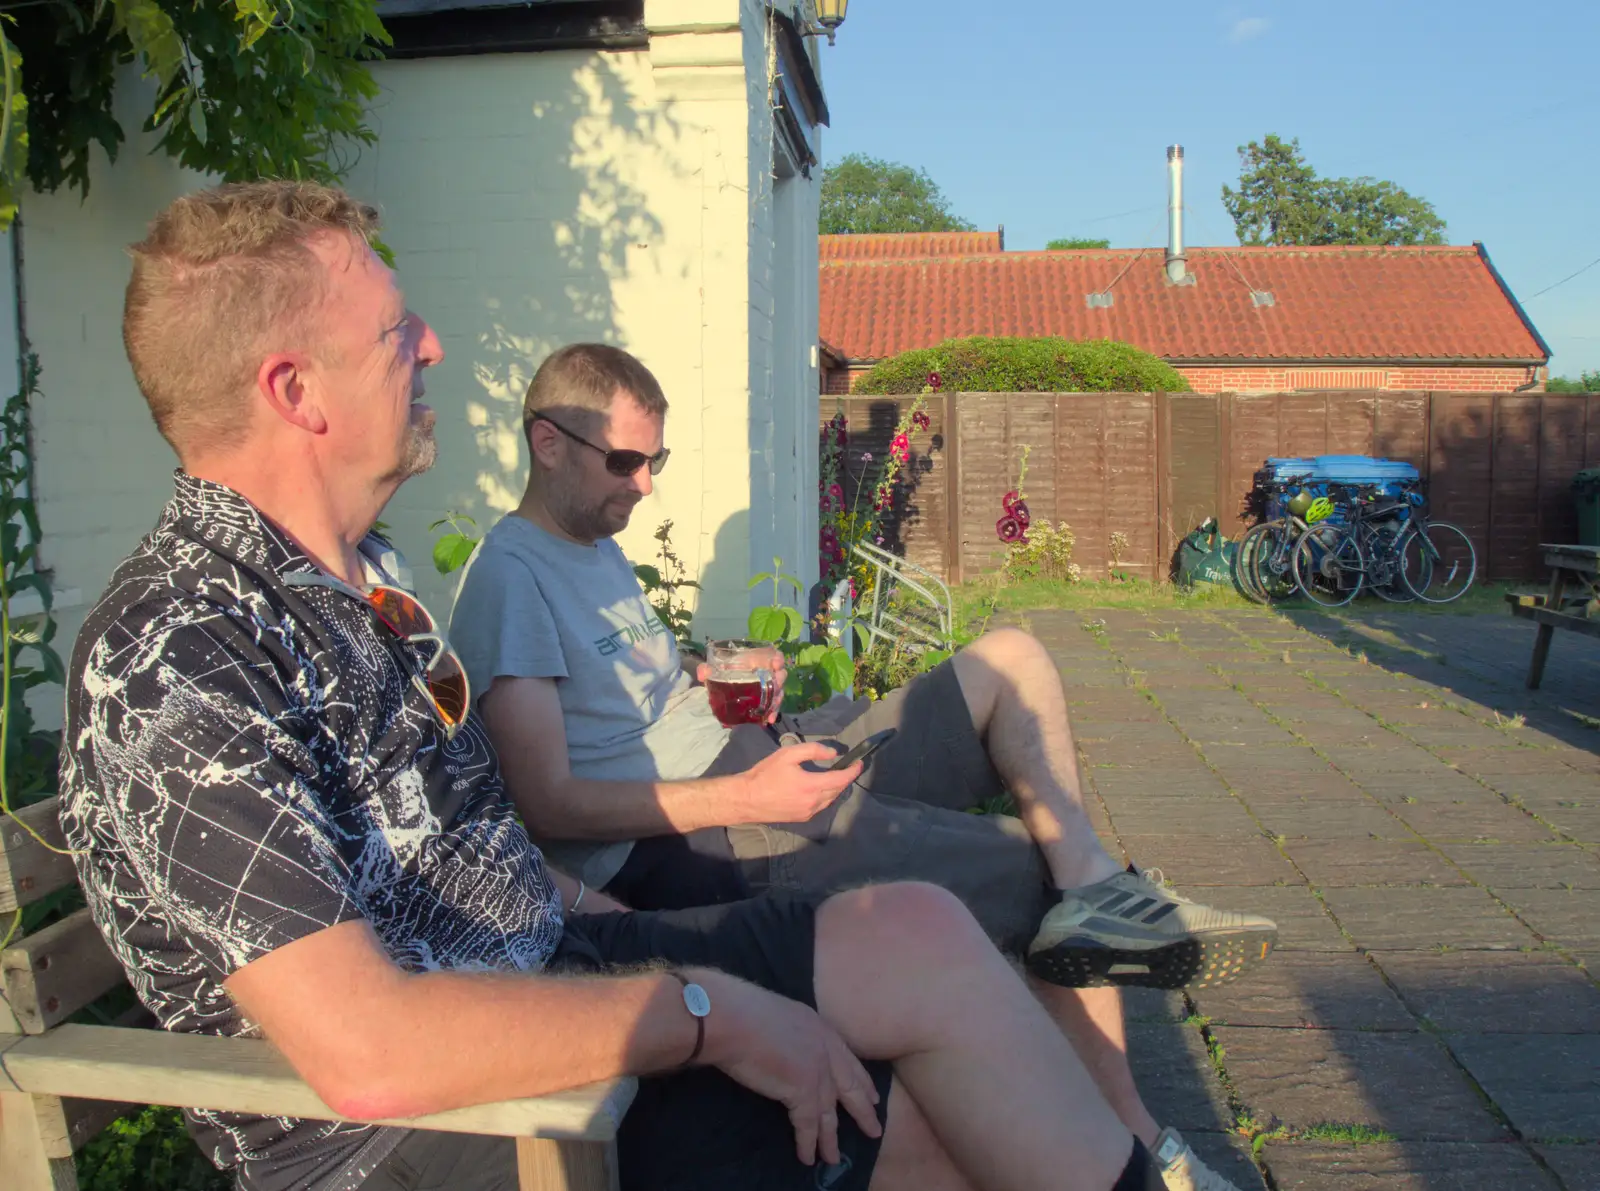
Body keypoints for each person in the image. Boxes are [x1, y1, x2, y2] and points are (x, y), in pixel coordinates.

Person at [58, 179, 1190, 1191]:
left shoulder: (364, 584)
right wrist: (708, 1012)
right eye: (396, 329)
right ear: (296, 389)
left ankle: (1128, 1147)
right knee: (929, 1130)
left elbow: (475, 858)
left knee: (921, 932)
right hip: (432, 1129)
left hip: (541, 973)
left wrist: (666, 935)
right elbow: (366, 1052)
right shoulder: (178, 656)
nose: (434, 346)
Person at [451, 343, 1281, 1191]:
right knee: (1030, 876)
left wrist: (711, 673)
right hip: (704, 837)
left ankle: (1100, 889)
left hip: (757, 761)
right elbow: (548, 805)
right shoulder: (511, 578)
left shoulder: (592, 545)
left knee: (1009, 661)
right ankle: (1140, 1146)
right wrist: (746, 793)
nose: (645, 484)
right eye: (625, 461)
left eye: (654, 460)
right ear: (547, 441)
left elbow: (629, 697)